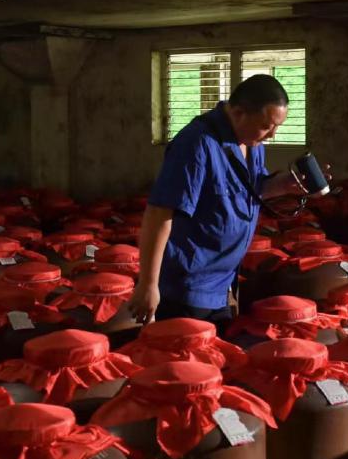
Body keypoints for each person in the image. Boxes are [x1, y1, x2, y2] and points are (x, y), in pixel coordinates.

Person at [128, 74, 305, 325]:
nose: (271, 135)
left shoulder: (252, 142)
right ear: (239, 112)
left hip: (224, 283)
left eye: (277, 127)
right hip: (189, 288)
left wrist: (284, 185)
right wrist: (148, 285)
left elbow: (251, 191)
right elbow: (159, 213)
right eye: (267, 126)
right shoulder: (197, 143)